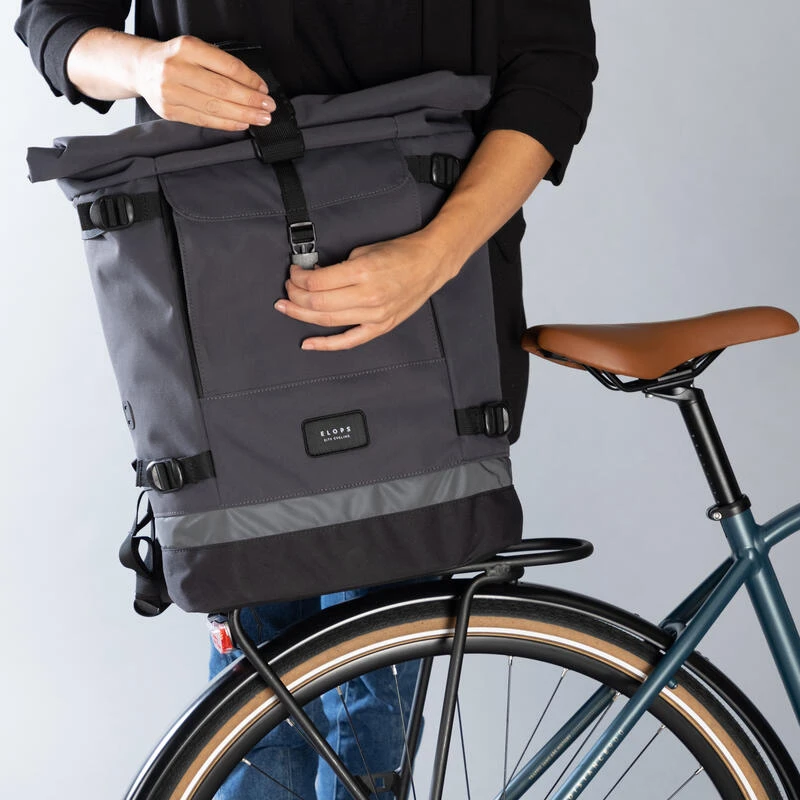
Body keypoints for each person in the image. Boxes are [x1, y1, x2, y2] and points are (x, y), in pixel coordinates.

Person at [15, 2, 598, 797]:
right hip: (224, 323)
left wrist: (437, 253)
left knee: (368, 701)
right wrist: (142, 66)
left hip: (423, 312)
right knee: (258, 698)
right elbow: (52, 23)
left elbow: (550, 65)